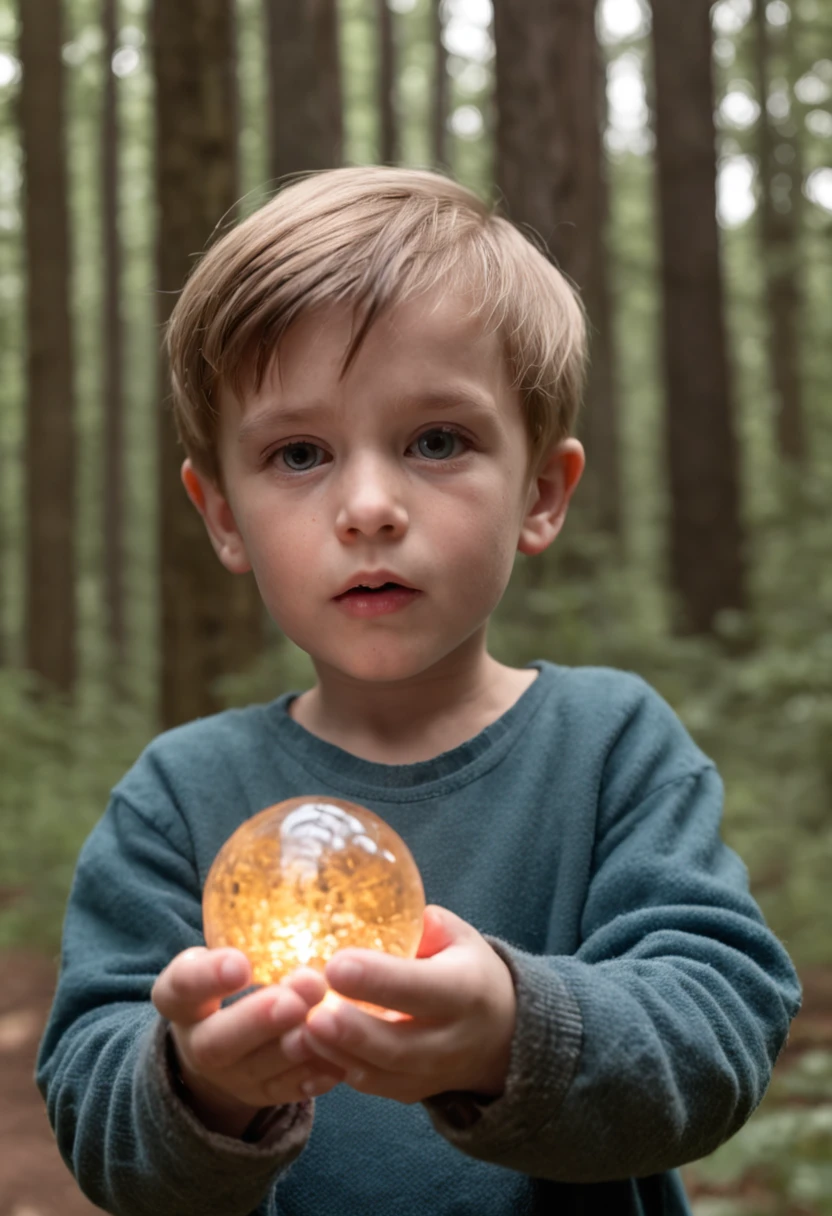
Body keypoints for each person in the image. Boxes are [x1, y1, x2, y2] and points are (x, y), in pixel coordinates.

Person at [37, 166, 800, 1216]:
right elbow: (93, 1111)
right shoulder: (177, 796)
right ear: (221, 515)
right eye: (298, 453)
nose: (367, 506)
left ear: (541, 491)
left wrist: (512, 1036)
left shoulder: (613, 746)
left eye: (436, 441)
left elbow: (717, 1031)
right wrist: (202, 1085)